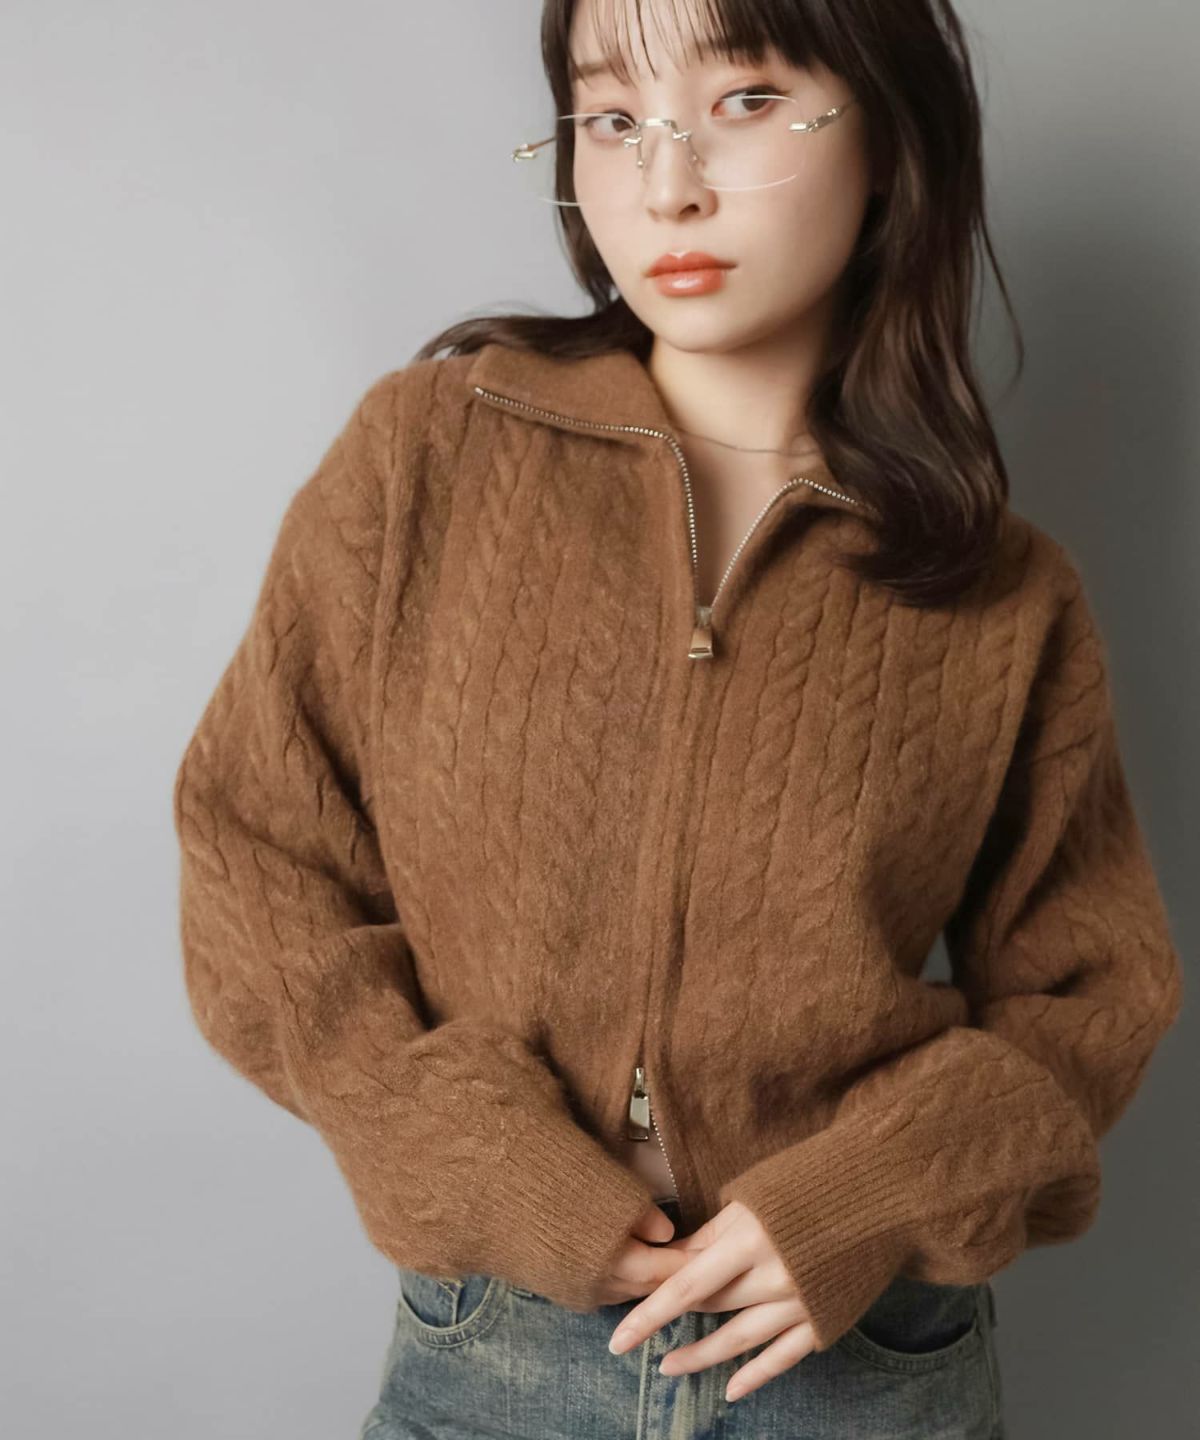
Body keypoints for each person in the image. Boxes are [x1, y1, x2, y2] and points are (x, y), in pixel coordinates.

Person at [171, 1, 1184, 1436]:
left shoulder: (1003, 593)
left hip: (862, 1371)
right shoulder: (426, 462)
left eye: (746, 100)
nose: (667, 184)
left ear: (891, 136)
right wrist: (476, 1156)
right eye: (613, 116)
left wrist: (871, 1194)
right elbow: (256, 858)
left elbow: (1091, 996)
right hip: (502, 1354)